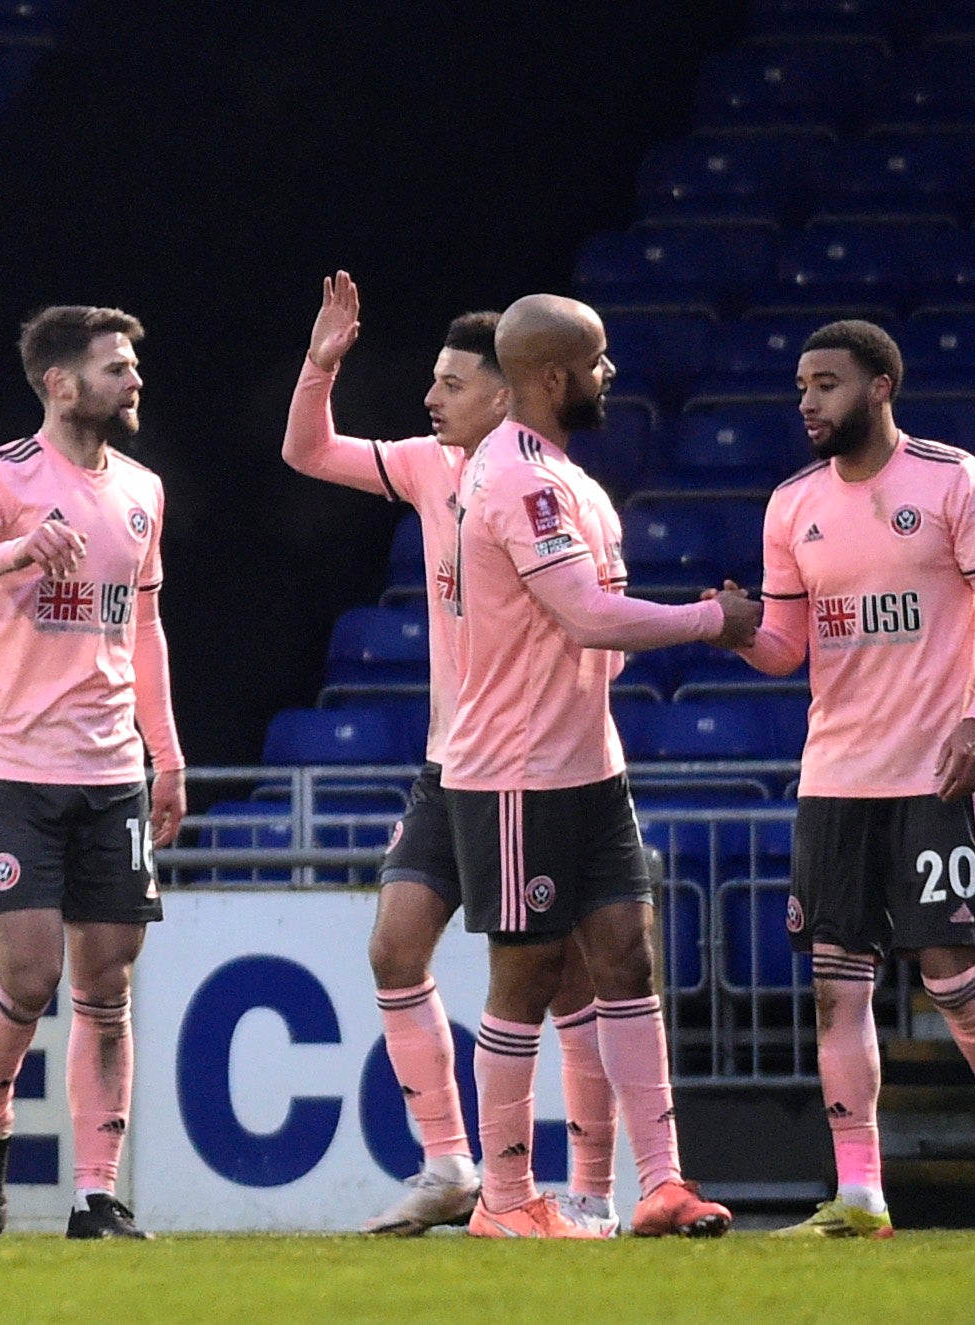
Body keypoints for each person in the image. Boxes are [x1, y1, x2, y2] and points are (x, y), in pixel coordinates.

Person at [279, 272, 619, 1237]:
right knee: (394, 945)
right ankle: (448, 1164)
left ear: (507, 393)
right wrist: (320, 366)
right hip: (449, 763)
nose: (431, 400)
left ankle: (591, 1187)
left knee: (570, 979)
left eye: (450, 383)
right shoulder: (433, 467)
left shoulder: (543, 489)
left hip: (533, 765)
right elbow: (306, 449)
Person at [718, 320, 975, 1238]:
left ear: (881, 386)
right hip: (834, 778)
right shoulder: (792, 505)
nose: (808, 402)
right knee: (837, 985)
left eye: (826, 384)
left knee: (949, 975)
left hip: (931, 774)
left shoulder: (949, 479)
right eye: (800, 387)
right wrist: (734, 627)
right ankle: (860, 1191)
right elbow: (788, 646)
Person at [445, 293, 758, 1239]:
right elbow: (586, 617)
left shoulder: (571, 480)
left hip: (588, 763)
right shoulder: (517, 479)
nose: (609, 373)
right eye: (597, 359)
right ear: (553, 377)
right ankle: (503, 1200)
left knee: (628, 956)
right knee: (529, 973)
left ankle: (662, 1182)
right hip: (514, 768)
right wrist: (711, 620)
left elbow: (600, 642)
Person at [0, 305, 183, 1241]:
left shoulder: (144, 489)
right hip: (16, 763)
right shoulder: (5, 476)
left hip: (111, 769)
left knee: (107, 985)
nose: (134, 379)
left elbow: (142, 628)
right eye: (117, 366)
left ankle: (95, 1197)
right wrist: (18, 549)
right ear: (62, 384)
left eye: (133, 364)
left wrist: (169, 753)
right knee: (29, 976)